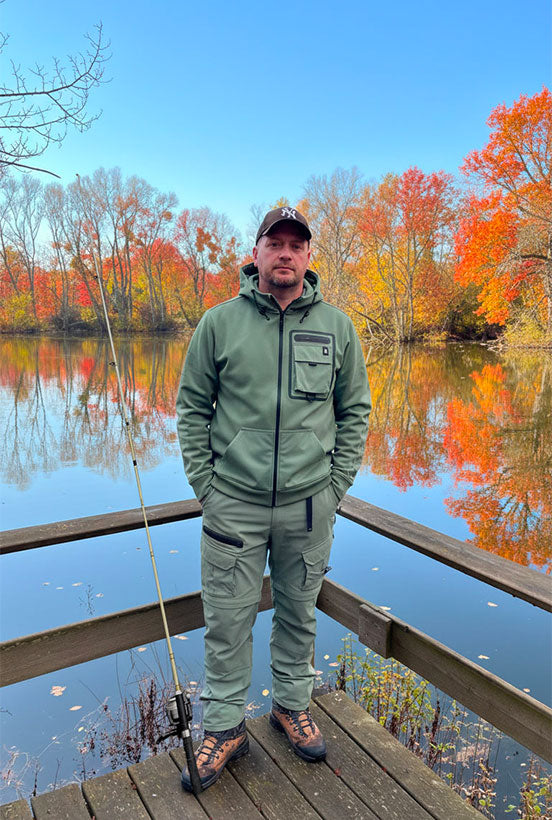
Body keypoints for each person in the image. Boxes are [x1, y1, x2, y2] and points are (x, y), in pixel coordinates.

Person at [176, 206, 371, 791]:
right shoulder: (218, 324)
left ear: (309, 257)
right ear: (256, 253)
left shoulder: (336, 327)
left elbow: (354, 412)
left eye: (296, 245)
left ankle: (291, 705)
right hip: (232, 501)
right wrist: (206, 488)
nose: (285, 253)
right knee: (227, 619)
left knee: (298, 611)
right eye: (274, 243)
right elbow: (191, 409)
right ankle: (227, 726)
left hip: (311, 504)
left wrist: (336, 487)